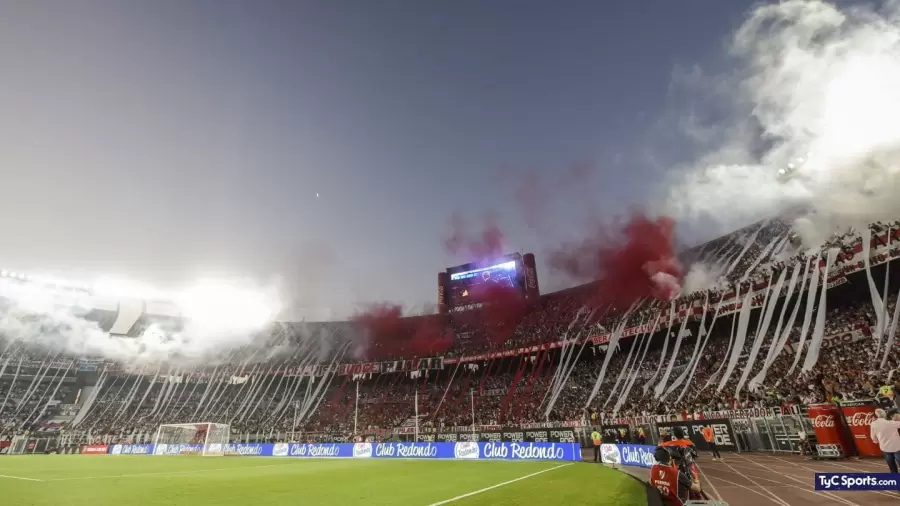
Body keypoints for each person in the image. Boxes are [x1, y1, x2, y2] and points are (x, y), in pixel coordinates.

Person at [869, 408, 900, 473]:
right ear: (884, 414)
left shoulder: (873, 424)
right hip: (897, 447)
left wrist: (876, 441)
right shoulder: (890, 423)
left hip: (885, 447)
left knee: (892, 467)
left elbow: (873, 437)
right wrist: (896, 418)